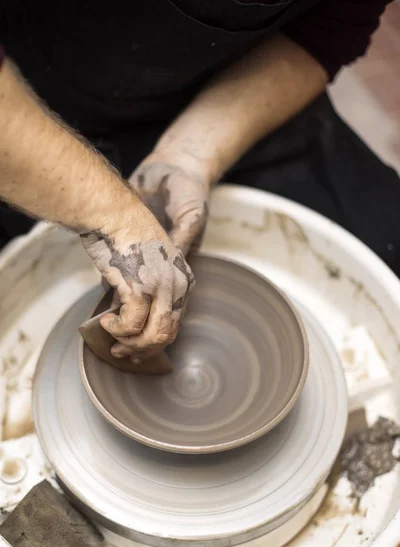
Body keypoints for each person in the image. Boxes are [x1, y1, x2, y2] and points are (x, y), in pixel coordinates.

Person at [0, 0, 398, 361]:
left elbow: (327, 29)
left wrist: (192, 154)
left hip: (227, 89)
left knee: (385, 238)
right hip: (26, 109)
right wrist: (111, 212)